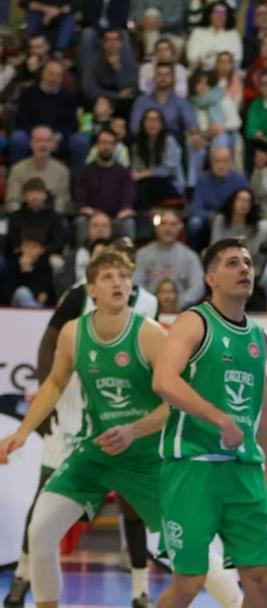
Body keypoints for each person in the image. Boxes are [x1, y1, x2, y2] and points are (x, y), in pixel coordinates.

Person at [0, 247, 240, 608]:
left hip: (148, 458)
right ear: (91, 290)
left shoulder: (149, 334)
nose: (119, 283)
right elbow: (54, 384)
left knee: (193, 551)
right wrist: (22, 432)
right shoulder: (72, 333)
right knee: (40, 531)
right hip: (98, 453)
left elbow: (180, 400)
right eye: (109, 277)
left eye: (125, 277)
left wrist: (135, 430)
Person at [152, 239, 267, 608]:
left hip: (245, 471)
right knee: (188, 584)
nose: (244, 269)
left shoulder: (259, 337)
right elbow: (163, 380)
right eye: (232, 263)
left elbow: (262, 405)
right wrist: (219, 417)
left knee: (260, 579)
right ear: (211, 277)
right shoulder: (193, 322)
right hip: (194, 467)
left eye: (248, 262)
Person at [11, 62, 91, 168]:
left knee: (81, 141)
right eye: (51, 74)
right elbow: (22, 120)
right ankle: (15, 176)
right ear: (43, 74)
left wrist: (57, 137)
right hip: (33, 137)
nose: (53, 78)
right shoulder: (28, 93)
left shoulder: (69, 97)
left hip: (58, 139)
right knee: (18, 138)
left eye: (58, 76)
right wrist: (38, 137)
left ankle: (75, 181)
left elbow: (72, 124)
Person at [73, 128, 136, 242]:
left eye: (110, 143)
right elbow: (81, 198)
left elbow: (128, 198)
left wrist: (123, 211)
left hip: (116, 218)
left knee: (128, 223)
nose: (106, 147)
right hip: (92, 217)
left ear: (115, 146)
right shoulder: (85, 172)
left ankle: (128, 257)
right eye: (103, 143)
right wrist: (94, 215)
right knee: (81, 222)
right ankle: (82, 256)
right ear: (96, 145)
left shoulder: (124, 172)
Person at [134, 208, 205, 307]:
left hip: (182, 311)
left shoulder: (190, 256)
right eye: (164, 223)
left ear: (180, 227)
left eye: (173, 224)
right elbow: (136, 284)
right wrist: (152, 304)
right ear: (156, 226)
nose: (168, 228)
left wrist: (179, 303)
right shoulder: (142, 254)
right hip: (148, 311)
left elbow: (198, 287)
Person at [188, 146, 249, 245]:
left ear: (231, 163)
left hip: (231, 219)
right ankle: (194, 255)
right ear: (211, 163)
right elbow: (196, 207)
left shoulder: (240, 180)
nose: (221, 165)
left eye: (224, 161)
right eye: (217, 161)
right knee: (194, 223)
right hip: (208, 218)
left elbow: (246, 206)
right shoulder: (203, 180)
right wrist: (208, 216)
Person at [7, 124, 73, 213]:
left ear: (53, 144)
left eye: (47, 141)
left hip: (51, 219)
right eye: (38, 140)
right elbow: (12, 201)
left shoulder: (62, 171)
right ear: (31, 143)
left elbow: (62, 203)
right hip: (23, 218)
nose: (43, 145)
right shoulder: (17, 169)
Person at [130, 107, 185, 208]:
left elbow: (168, 170)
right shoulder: (137, 146)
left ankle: (145, 218)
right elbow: (135, 172)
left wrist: (145, 174)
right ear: (143, 123)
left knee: (144, 187)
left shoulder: (169, 142)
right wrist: (139, 175)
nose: (152, 124)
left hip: (169, 184)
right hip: (146, 185)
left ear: (162, 124)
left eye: (155, 120)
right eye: (148, 120)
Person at [6, 177, 66, 264]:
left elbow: (58, 240)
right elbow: (13, 240)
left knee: (57, 263)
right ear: (24, 196)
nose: (34, 197)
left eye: (38, 192)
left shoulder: (54, 216)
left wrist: (40, 251)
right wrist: (28, 251)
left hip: (47, 255)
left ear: (45, 195)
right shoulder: (15, 216)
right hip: (21, 255)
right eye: (30, 193)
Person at [82, 28, 139, 111]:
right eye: (108, 40)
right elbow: (89, 89)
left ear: (121, 44)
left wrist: (117, 68)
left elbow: (132, 88)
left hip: (123, 102)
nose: (112, 44)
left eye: (116, 40)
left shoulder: (128, 60)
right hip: (101, 99)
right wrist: (116, 95)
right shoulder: (93, 61)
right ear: (102, 43)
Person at [186, 1, 242, 71]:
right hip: (201, 72)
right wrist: (216, 59)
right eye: (217, 12)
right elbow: (191, 57)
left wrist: (210, 58)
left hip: (225, 75)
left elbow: (237, 58)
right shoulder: (198, 32)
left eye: (223, 13)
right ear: (210, 14)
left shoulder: (233, 34)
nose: (220, 16)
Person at [4, 230, 55, 307]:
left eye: (34, 247)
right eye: (26, 246)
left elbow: (45, 292)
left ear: (42, 250)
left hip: (38, 305)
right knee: (22, 292)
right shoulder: (13, 263)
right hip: (14, 305)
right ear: (21, 247)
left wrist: (29, 271)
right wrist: (24, 271)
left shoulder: (45, 265)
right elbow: (7, 290)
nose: (29, 250)